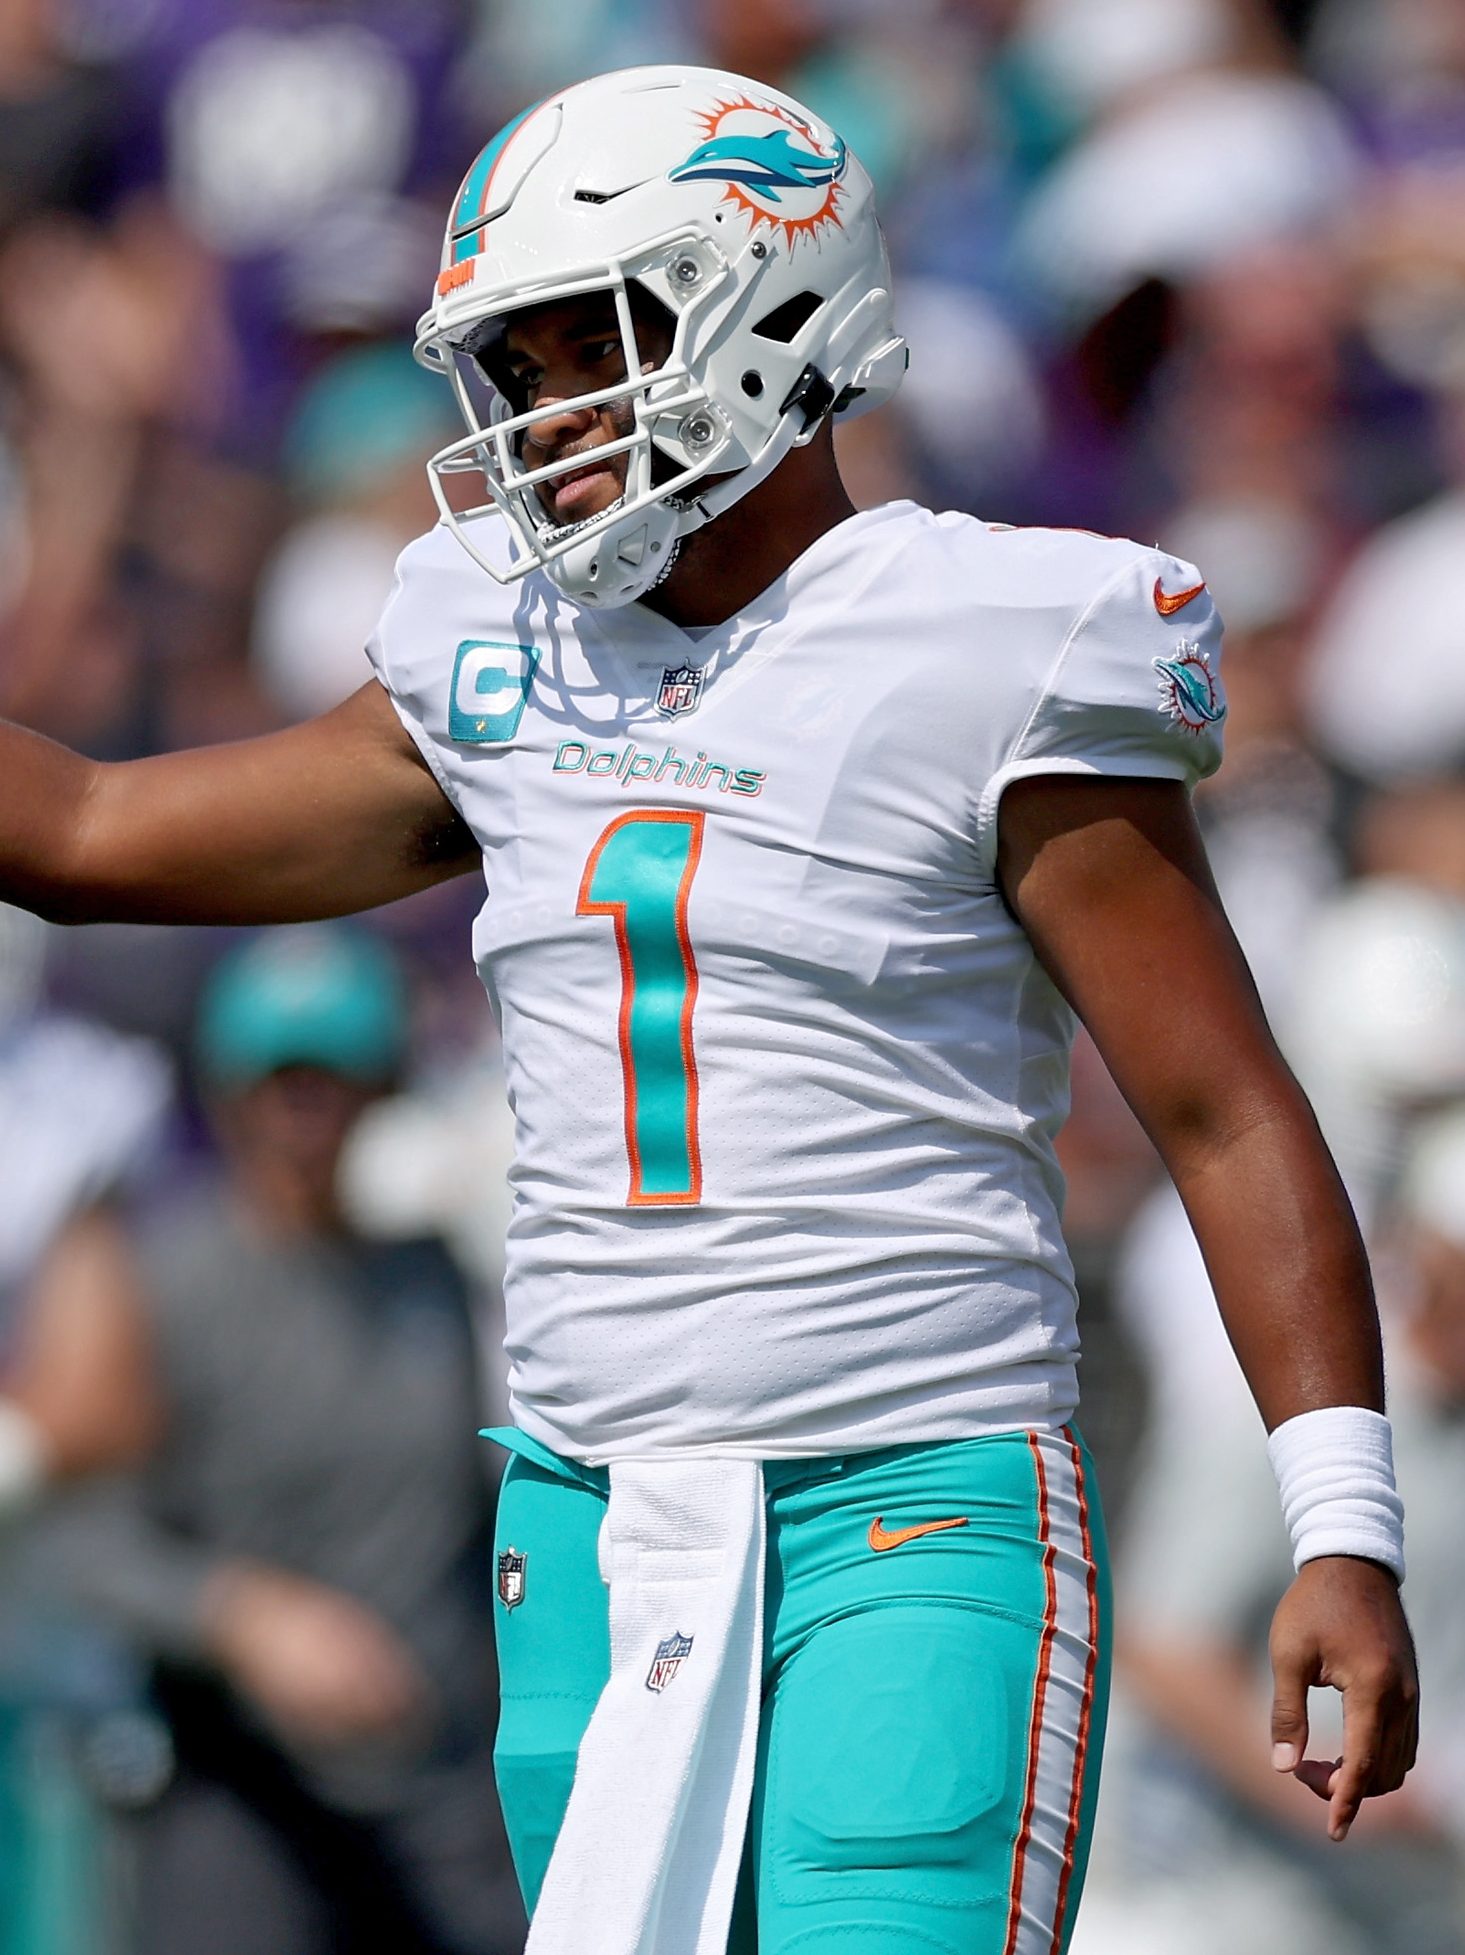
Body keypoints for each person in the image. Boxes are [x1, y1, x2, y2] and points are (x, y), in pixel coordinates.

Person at [0, 63, 1418, 1955]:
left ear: (771, 309)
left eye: (596, 345)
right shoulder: (498, 646)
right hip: (587, 1526)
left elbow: (1223, 1108)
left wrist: (1342, 1515)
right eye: (518, 366)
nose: (547, 414)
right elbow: (87, 832)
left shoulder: (993, 639)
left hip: (909, 1495)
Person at [36, 925, 522, 1955]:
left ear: (380, 1088)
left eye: (331, 1079)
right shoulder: (161, 1284)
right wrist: (241, 1615)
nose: (301, 1110)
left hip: (444, 1794)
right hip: (247, 1792)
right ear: (223, 1091)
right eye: (275, 1080)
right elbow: (82, 1537)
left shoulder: (439, 1277)